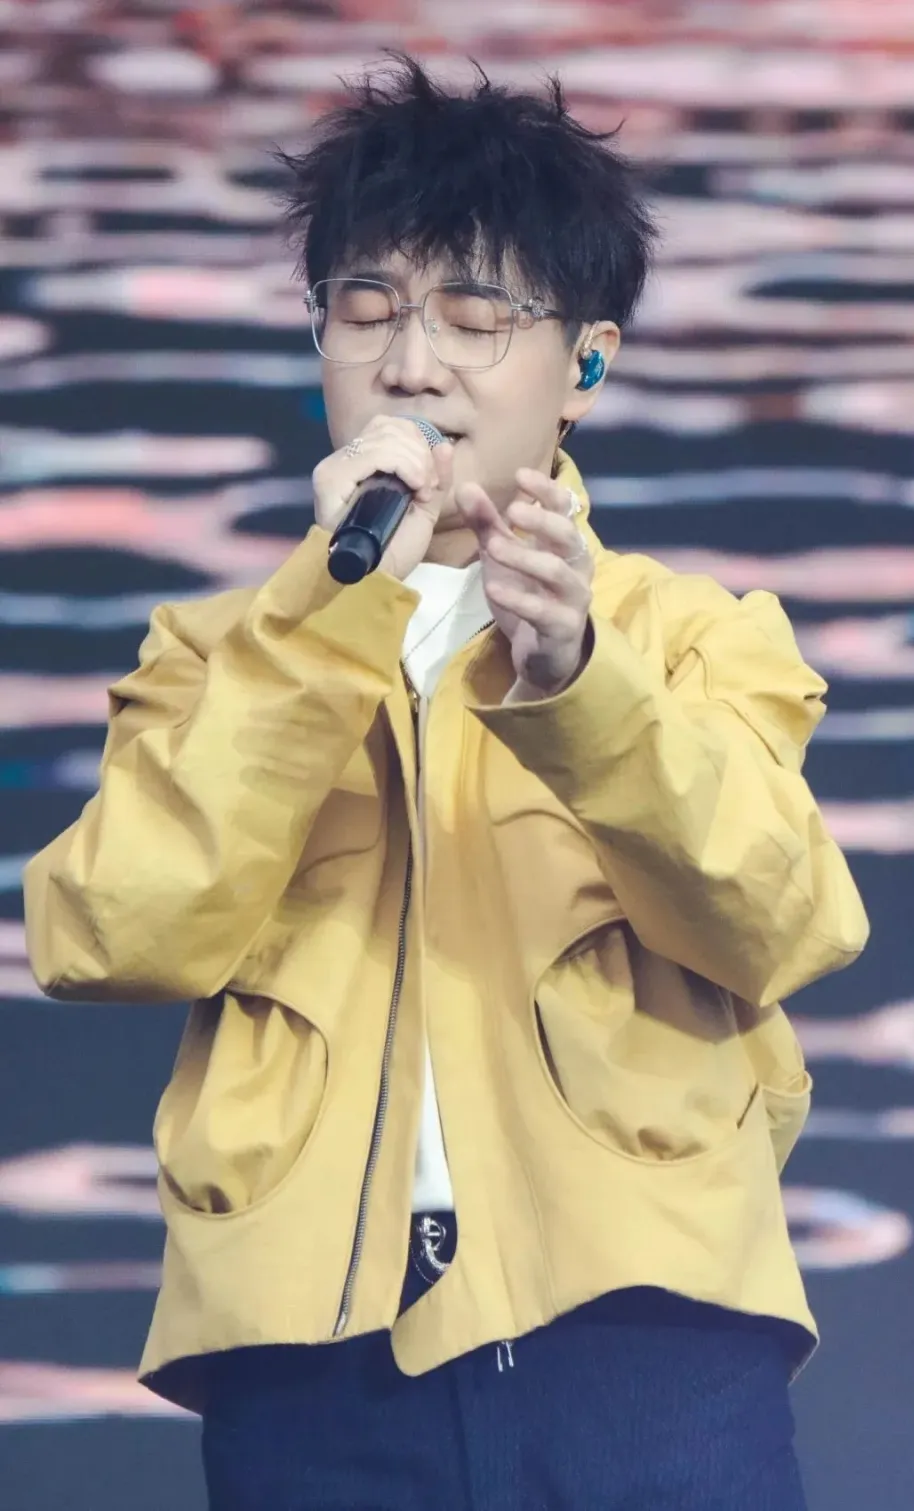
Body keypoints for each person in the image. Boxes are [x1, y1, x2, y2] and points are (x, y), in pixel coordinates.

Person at [23, 55, 869, 1511]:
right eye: (367, 309)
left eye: (476, 318)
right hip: (313, 1362)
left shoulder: (693, 637)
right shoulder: (219, 651)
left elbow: (782, 921)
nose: (413, 365)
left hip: (638, 1329)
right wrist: (318, 629)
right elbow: (109, 935)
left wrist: (585, 683)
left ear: (586, 364)